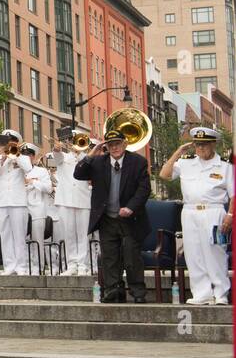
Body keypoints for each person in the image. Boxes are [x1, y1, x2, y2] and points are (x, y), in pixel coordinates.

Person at [73, 126, 151, 303]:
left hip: (130, 218)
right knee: (109, 256)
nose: (114, 148)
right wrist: (91, 154)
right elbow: (78, 174)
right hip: (107, 218)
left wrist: (130, 207)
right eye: (110, 145)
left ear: (124, 144)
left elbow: (144, 189)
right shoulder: (98, 162)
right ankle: (113, 290)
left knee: (131, 255)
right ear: (105, 146)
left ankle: (138, 291)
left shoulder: (137, 162)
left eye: (117, 144)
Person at [159, 128, 231, 306]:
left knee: (216, 252)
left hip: (214, 211)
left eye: (204, 144)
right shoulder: (186, 163)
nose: (200, 148)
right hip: (190, 212)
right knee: (194, 253)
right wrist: (178, 152)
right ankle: (201, 293)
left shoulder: (225, 166)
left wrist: (230, 215)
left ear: (213, 144)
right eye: (197, 145)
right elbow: (164, 174)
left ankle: (220, 293)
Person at [0, 130, 32, 275]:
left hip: (18, 201)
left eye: (11, 141)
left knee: (19, 235)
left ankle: (21, 266)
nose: (8, 144)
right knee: (5, 234)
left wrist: (16, 156)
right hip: (1, 201)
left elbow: (28, 169)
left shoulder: (23, 157)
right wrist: (3, 161)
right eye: (6, 141)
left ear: (16, 142)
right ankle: (9, 265)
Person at [49, 134, 94, 276]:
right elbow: (57, 156)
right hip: (65, 200)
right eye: (73, 142)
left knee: (83, 234)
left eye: (79, 142)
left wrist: (80, 153)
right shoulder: (63, 157)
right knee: (68, 234)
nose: (75, 145)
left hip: (83, 199)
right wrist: (56, 148)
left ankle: (83, 265)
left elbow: (87, 165)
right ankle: (72, 264)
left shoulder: (87, 157)